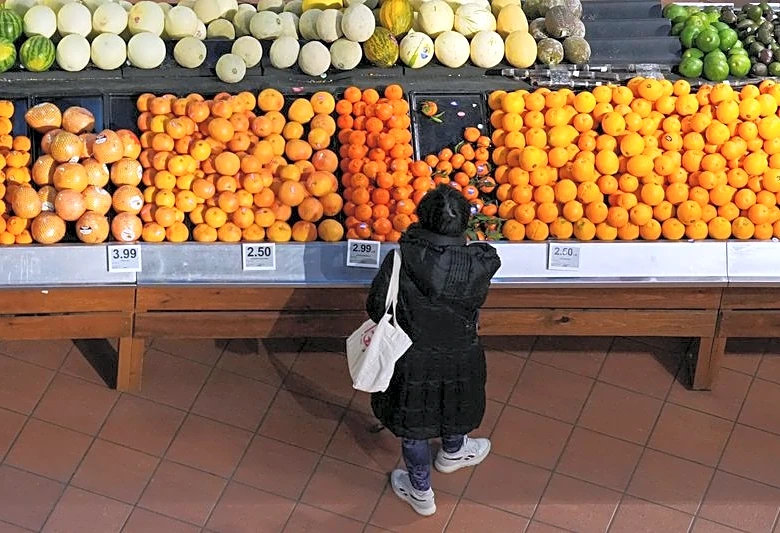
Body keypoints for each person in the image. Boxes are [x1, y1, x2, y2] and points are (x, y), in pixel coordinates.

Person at [365, 184, 502, 517]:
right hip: (461, 353)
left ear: (421, 219)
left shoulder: (400, 259)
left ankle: (420, 491)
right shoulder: (479, 263)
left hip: (411, 358)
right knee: (457, 403)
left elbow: (376, 307)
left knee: (414, 425)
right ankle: (454, 451)